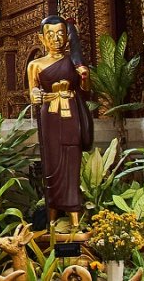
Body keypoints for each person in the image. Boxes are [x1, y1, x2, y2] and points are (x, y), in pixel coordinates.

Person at [25, 15, 94, 233]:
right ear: (42, 38)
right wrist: (36, 95)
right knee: (52, 163)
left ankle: (74, 219)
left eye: (61, 34)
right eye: (51, 34)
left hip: (71, 113)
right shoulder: (35, 65)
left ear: (67, 37)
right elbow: (32, 92)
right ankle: (52, 218)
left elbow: (87, 92)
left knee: (72, 162)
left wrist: (84, 77)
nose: (56, 39)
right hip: (50, 117)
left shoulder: (74, 62)